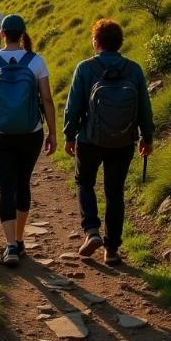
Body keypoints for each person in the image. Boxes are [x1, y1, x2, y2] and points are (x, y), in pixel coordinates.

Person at [63, 19, 154, 265]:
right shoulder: (133, 69)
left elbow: (73, 108)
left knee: (84, 182)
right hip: (123, 140)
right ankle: (112, 249)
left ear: (96, 42)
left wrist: (69, 135)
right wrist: (147, 137)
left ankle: (91, 231)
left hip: (90, 139)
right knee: (115, 193)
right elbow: (145, 107)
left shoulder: (85, 68)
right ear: (119, 42)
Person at [0, 15, 57, 266]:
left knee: (5, 187)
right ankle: (20, 240)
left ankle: (10, 245)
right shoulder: (36, 61)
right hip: (31, 132)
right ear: (23, 34)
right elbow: (47, 99)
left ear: (1, 34)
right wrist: (52, 132)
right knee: (23, 183)